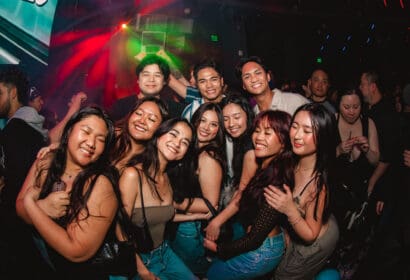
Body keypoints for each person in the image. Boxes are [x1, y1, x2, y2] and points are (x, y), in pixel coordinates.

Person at [16, 106, 119, 279]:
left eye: (100, 139)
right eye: (86, 131)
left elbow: (76, 252)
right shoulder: (47, 162)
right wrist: (43, 206)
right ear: (70, 130)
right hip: (38, 266)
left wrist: (31, 204)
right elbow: (18, 209)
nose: (91, 143)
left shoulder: (100, 185)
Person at [204, 110, 292, 280]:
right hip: (266, 241)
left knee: (214, 274)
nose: (259, 137)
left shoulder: (277, 183)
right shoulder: (268, 168)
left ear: (283, 142)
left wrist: (217, 249)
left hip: (263, 250)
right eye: (257, 131)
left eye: (267, 133)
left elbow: (254, 240)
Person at [264, 103, 340, 280]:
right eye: (295, 126)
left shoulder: (317, 185)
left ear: (322, 137)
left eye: (307, 131)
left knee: (283, 275)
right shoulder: (293, 159)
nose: (297, 135)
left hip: (316, 239)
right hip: (307, 220)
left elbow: (310, 236)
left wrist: (290, 209)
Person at [115, 118, 196, 280]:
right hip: (137, 259)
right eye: (173, 134)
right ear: (159, 135)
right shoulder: (133, 175)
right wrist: (143, 271)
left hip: (164, 252)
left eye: (185, 142)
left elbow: (161, 216)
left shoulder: (169, 177)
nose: (177, 143)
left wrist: (197, 216)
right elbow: (119, 228)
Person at [0, 67, 48, 278]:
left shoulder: (15, 132)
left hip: (17, 231)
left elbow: (18, 185)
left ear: (12, 93)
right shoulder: (25, 128)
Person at [168, 102, 225, 276]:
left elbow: (210, 205)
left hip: (188, 226)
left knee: (189, 270)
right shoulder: (188, 147)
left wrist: (172, 202)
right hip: (177, 221)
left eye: (213, 124)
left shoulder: (208, 157)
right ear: (195, 121)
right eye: (203, 120)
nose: (206, 128)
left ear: (218, 130)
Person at [331, 87, 380, 279]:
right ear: (339, 106)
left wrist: (367, 149)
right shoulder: (331, 121)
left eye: (356, 106)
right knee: (334, 240)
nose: (351, 111)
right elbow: (319, 159)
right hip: (334, 193)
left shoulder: (369, 123)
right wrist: (338, 149)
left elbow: (376, 160)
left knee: (355, 240)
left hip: (358, 195)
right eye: (346, 106)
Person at [205, 93, 257, 242]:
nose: (231, 124)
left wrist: (217, 221)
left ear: (247, 114)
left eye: (236, 117)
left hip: (252, 216)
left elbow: (243, 192)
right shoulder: (241, 139)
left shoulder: (251, 147)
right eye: (226, 119)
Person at [110, 54, 183, 120]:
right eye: (146, 74)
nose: (151, 79)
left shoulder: (174, 109)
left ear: (164, 81)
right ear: (138, 79)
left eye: (157, 75)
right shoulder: (121, 106)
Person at [110, 96, 169, 174]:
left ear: (160, 128)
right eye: (139, 113)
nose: (142, 121)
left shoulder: (149, 166)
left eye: (151, 119)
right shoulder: (109, 136)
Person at [235, 56, 309, 116]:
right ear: (243, 85)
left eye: (258, 73)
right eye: (247, 77)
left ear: (268, 77)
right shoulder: (253, 115)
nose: (254, 79)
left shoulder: (295, 102)